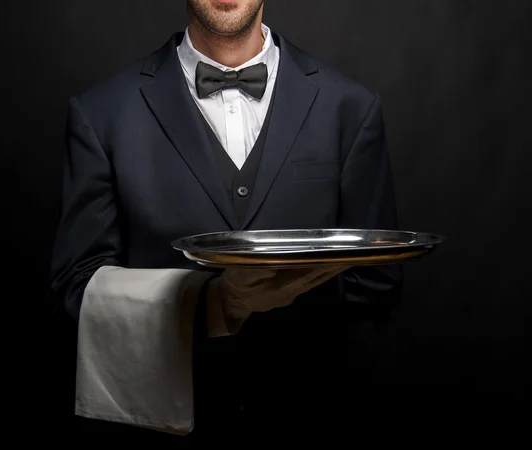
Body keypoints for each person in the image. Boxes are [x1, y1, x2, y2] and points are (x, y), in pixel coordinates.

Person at [48, 0, 403, 442]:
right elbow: (77, 289)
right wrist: (212, 304)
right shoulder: (101, 114)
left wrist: (284, 297)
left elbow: (378, 281)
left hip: (309, 420)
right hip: (161, 427)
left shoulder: (350, 106)